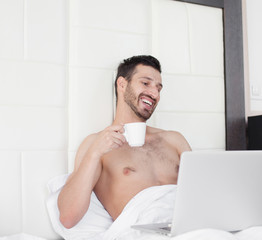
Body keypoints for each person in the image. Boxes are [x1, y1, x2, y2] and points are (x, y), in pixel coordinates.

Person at [57, 55, 192, 229]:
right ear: (122, 84)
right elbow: (68, 217)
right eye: (145, 83)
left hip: (188, 227)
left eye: (159, 88)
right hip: (141, 232)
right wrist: (95, 153)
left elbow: (202, 192)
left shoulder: (174, 140)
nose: (154, 93)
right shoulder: (96, 144)